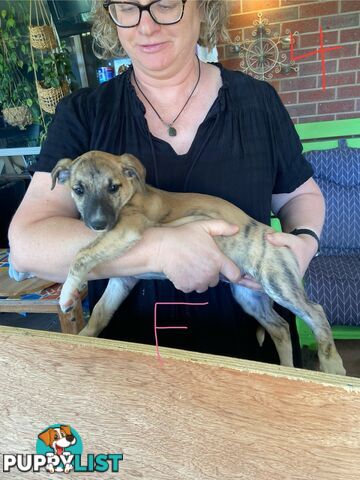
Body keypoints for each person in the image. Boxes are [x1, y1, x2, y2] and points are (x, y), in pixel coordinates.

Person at [9, 0, 325, 366]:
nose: (146, 25)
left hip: (253, 358)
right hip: (129, 365)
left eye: (165, 4)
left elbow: (300, 195)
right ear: (110, 16)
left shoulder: (259, 101)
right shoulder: (82, 113)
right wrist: (161, 249)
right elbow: (27, 246)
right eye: (128, 7)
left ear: (204, 9)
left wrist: (305, 243)